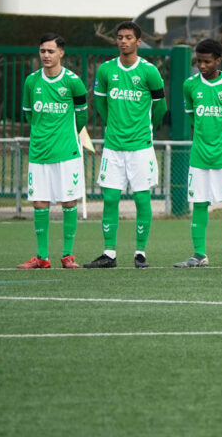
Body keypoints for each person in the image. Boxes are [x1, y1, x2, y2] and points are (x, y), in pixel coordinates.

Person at [85, 21, 166, 269]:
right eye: (119, 37)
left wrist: (147, 128)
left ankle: (140, 253)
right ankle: (109, 253)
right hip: (113, 146)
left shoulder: (150, 71)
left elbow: (160, 107)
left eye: (128, 37)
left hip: (141, 146)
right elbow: (100, 104)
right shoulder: (106, 70)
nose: (123, 41)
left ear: (138, 41)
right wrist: (113, 126)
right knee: (110, 197)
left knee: (142, 199)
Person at [174, 39, 222, 268]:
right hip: (199, 156)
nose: (202, 65)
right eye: (199, 61)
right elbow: (191, 117)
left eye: (207, 61)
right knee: (198, 202)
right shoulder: (190, 86)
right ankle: (199, 255)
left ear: (218, 60)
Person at [17, 33, 89, 269]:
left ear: (61, 53)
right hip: (39, 152)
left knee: (68, 201)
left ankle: (68, 256)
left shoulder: (73, 82)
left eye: (50, 51)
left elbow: (82, 116)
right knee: (39, 202)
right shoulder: (31, 82)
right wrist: (42, 133)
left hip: (66, 152)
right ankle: (42, 257)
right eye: (42, 51)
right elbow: (29, 113)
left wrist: (65, 135)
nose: (46, 55)